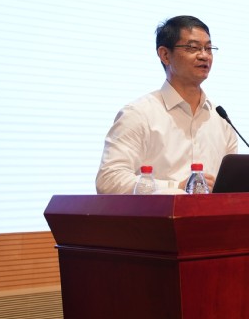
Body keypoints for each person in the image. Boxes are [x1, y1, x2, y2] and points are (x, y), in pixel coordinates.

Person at [96, 15, 238, 194]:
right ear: (165, 55)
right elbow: (109, 180)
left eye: (208, 48)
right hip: (157, 213)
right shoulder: (138, 114)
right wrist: (176, 188)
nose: (204, 55)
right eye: (193, 48)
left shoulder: (220, 119)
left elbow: (231, 185)